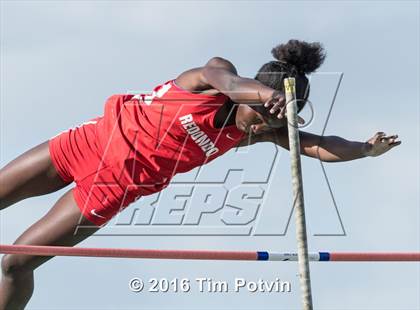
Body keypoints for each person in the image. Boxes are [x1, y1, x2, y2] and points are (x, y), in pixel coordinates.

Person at [0, 40, 400, 309]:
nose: (262, 127)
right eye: (260, 116)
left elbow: (315, 144)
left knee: (16, 265)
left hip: (108, 190)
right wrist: (269, 97)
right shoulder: (210, 80)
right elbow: (226, 79)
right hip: (83, 145)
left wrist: (365, 150)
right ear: (252, 95)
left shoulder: (250, 133)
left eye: (273, 122)